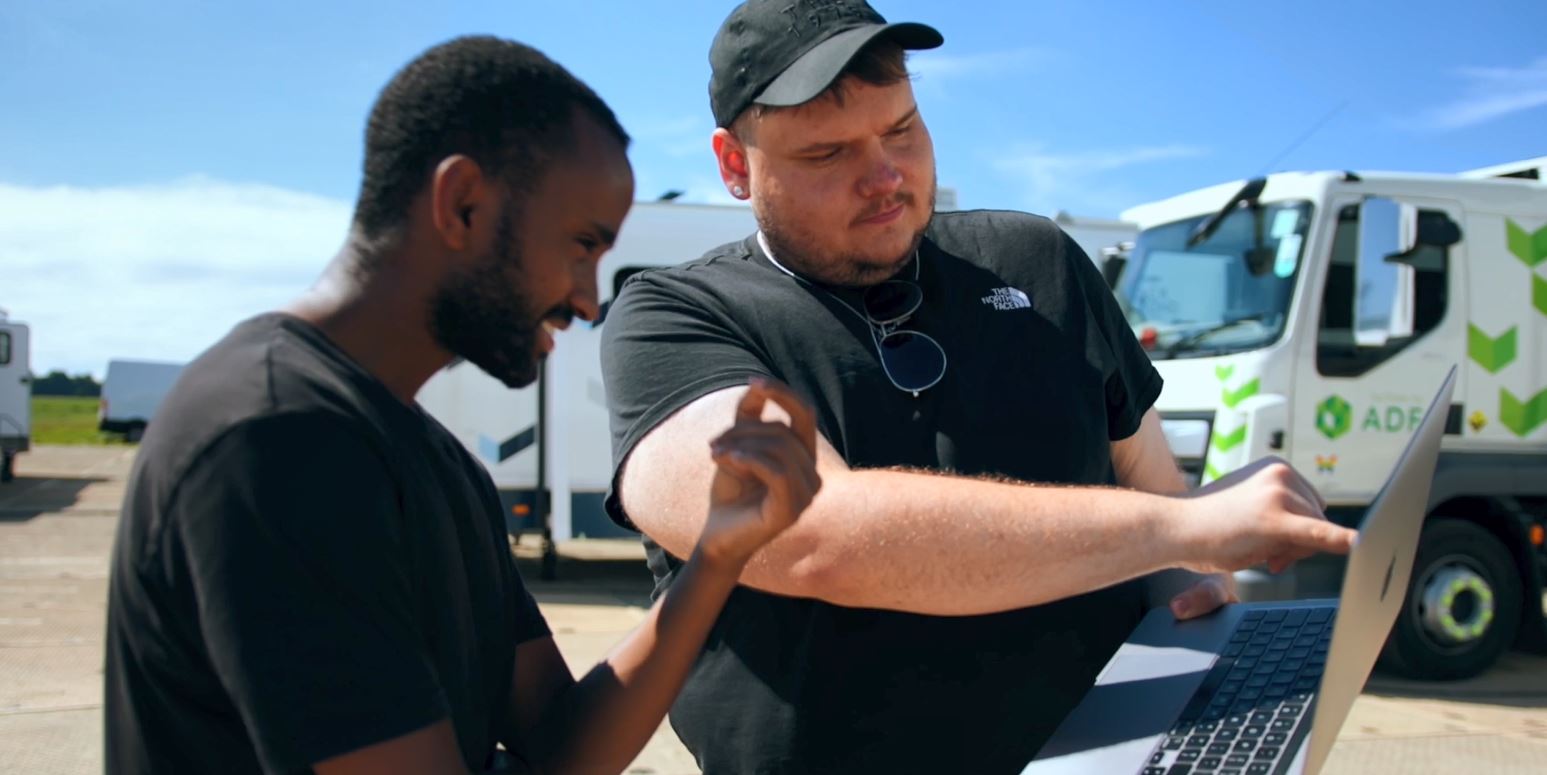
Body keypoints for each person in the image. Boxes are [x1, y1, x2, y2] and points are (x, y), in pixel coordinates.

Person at [598, 2, 1358, 773]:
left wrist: (1187, 575)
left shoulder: (1039, 263)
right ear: (734, 165)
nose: (885, 176)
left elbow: (1151, 490)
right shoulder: (675, 317)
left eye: (901, 129)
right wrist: (1184, 528)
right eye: (827, 153)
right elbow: (812, 537)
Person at [104, 36, 822, 775]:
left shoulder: (434, 460)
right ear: (462, 203)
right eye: (580, 245)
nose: (585, 298)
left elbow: (559, 741)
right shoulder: (275, 434)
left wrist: (715, 557)